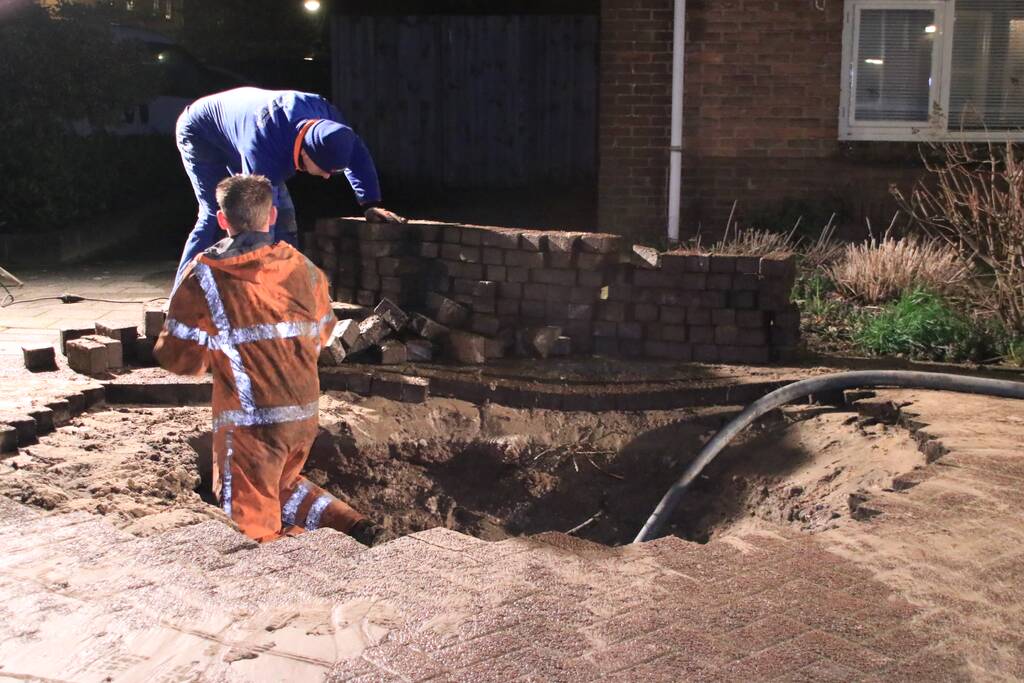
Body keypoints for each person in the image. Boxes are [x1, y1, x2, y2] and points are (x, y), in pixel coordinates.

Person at [155, 174, 385, 546]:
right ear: (272, 215)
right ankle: (354, 525)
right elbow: (323, 334)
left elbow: (178, 358)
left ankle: (288, 556)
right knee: (281, 483)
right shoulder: (304, 268)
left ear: (222, 220)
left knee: (251, 530)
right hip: (303, 415)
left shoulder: (204, 273)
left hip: (251, 426)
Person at [173, 86, 404, 290]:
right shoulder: (263, 149)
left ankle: (288, 291)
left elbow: (358, 156)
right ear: (305, 152)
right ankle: (182, 295)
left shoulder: (331, 121)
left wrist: (370, 204)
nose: (326, 177)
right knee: (217, 215)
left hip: (242, 130)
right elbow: (259, 222)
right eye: (325, 169)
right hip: (200, 131)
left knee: (284, 219)